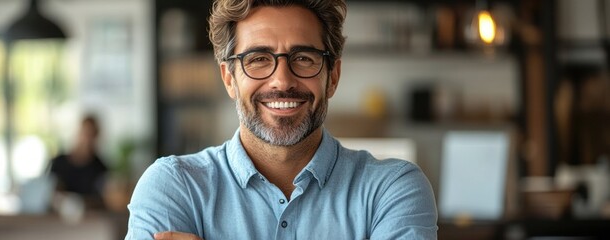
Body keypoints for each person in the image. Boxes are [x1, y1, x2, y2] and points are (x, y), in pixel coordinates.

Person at [127, 0, 438, 239]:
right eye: (259, 59)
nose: (282, 80)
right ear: (229, 78)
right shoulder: (173, 187)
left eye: (303, 58)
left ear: (333, 76)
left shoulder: (392, 189)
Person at [49, 115, 109, 208]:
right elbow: (49, 193)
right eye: (85, 133)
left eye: (91, 135)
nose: (87, 140)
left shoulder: (100, 168)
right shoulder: (59, 162)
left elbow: (102, 200)